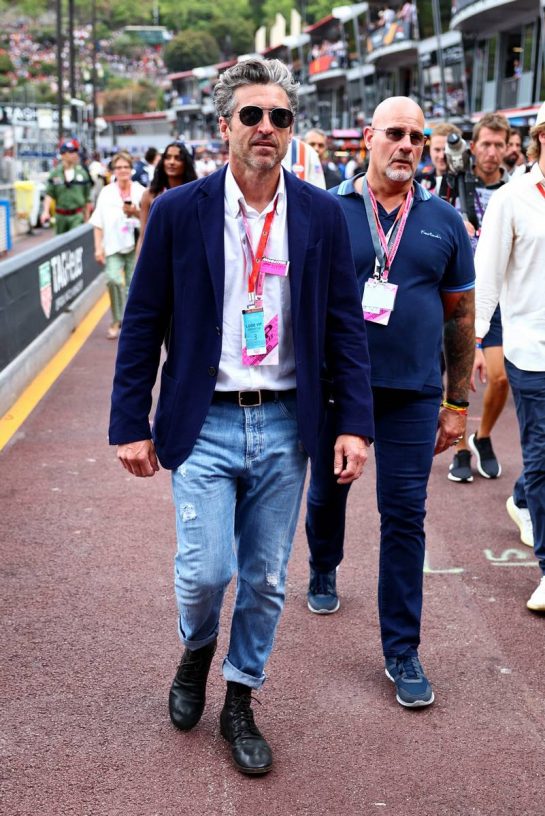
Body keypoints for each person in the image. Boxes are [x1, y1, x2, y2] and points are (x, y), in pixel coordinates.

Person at [109, 58, 373, 775]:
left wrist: (354, 424)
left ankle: (239, 698)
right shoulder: (177, 211)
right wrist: (129, 422)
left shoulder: (319, 214)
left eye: (279, 117)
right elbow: (143, 323)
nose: (265, 127)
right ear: (224, 125)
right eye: (251, 115)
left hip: (287, 423)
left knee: (264, 579)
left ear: (291, 130)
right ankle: (197, 649)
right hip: (204, 422)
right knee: (206, 574)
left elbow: (344, 328)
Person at [305, 96, 475, 708]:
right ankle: (323, 562)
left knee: (405, 515)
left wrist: (457, 403)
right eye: (395, 133)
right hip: (338, 388)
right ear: (369, 137)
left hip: (413, 393)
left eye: (417, 137)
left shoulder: (445, 221)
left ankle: (402, 650)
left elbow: (460, 316)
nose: (406, 145)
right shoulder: (328, 210)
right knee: (328, 493)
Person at [473, 100, 545, 611]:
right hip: (531, 349)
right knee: (542, 454)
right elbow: (487, 278)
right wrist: (475, 344)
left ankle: (521, 498)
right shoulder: (513, 197)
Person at [446, 113, 511, 483]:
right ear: (474, 146)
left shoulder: (515, 189)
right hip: (459, 292)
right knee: (460, 375)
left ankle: (482, 436)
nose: (491, 152)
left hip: (498, 296)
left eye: (498, 145)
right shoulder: (455, 185)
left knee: (499, 379)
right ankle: (459, 448)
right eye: (485, 144)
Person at [90, 151, 145, 339]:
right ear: (114, 170)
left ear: (131, 169)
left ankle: (130, 323)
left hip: (135, 245)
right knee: (113, 280)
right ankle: (116, 319)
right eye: (119, 167)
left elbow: (148, 217)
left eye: (126, 167)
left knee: (133, 286)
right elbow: (98, 222)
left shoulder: (140, 191)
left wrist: (134, 212)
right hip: (113, 245)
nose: (123, 170)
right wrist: (98, 247)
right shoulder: (106, 193)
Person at [138, 141, 197, 245]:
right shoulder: (149, 194)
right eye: (168, 157)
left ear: (186, 163)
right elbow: (143, 235)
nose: (171, 162)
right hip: (157, 251)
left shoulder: (195, 194)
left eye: (178, 158)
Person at [40, 139, 92, 234]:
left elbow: (87, 199)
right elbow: (49, 194)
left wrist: (87, 219)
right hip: (60, 217)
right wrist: (46, 211)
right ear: (63, 154)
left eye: (75, 152)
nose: (74, 155)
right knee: (60, 241)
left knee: (76, 239)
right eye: (71, 152)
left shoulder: (82, 174)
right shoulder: (55, 173)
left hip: (77, 216)